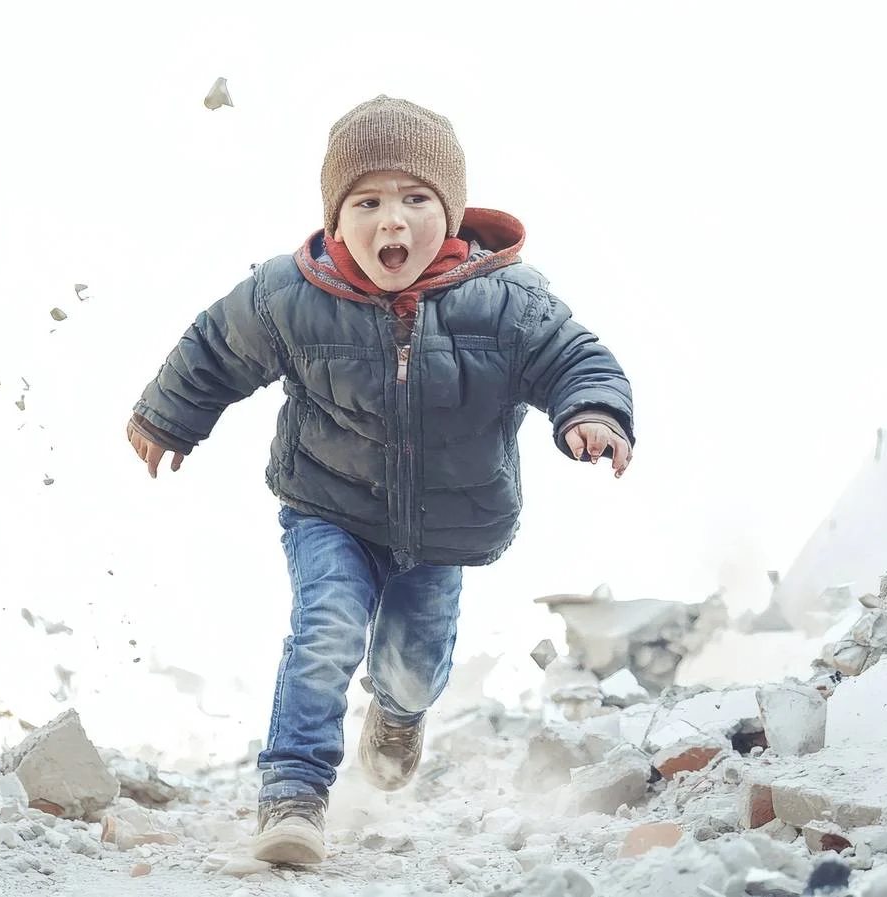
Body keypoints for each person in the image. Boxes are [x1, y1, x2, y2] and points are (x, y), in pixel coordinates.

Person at [125, 95, 634, 865]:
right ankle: (292, 795)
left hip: (442, 529)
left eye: (415, 199)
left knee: (412, 662)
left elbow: (574, 357)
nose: (391, 220)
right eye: (367, 201)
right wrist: (169, 415)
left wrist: (591, 410)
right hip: (329, 504)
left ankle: (399, 712)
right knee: (325, 627)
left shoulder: (505, 302)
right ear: (336, 219)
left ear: (453, 213)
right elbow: (216, 346)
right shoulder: (294, 294)